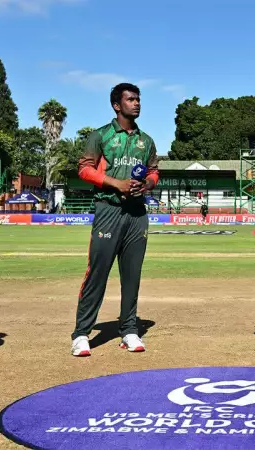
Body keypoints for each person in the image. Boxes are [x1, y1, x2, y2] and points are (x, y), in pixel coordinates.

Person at [71, 83, 159, 357]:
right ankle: (82, 334)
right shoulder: (101, 136)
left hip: (137, 214)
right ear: (116, 105)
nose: (137, 104)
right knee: (97, 273)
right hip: (108, 210)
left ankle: (129, 330)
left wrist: (145, 184)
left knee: (132, 275)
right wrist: (116, 184)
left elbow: (155, 172)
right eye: (131, 99)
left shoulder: (147, 141)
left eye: (138, 99)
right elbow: (84, 169)